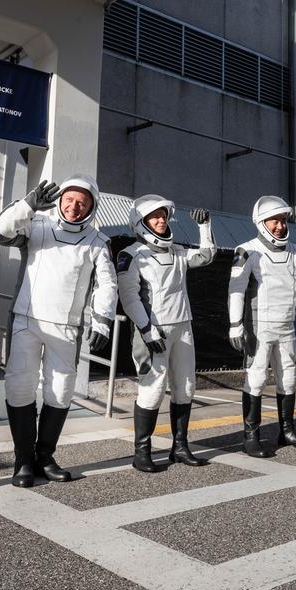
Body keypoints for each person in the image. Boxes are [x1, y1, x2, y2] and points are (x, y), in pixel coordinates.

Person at [0, 175, 117, 488]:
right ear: (60, 200)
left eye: (82, 203)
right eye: (69, 199)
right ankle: (23, 460)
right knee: (20, 387)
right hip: (27, 320)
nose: (74, 207)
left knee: (60, 393)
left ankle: (44, 456)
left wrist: (102, 320)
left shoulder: (97, 242)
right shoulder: (36, 225)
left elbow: (107, 284)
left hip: (67, 327)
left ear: (92, 207)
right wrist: (28, 204)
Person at [116, 196, 214, 472]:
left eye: (164, 215)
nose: (161, 220)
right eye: (154, 216)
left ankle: (179, 447)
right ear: (141, 222)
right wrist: (147, 330)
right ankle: (141, 452)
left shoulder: (178, 251)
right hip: (153, 332)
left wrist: (205, 227)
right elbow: (129, 296)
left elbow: (206, 256)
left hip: (183, 328)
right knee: (153, 390)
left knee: (186, 388)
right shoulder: (131, 254)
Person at [227, 196, 296, 458]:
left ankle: (287, 431)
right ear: (261, 222)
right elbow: (236, 289)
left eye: (283, 220)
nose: (280, 226)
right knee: (256, 379)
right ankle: (251, 437)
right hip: (259, 326)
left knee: (288, 378)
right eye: (274, 221)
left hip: (286, 325)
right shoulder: (246, 250)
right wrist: (235, 325)